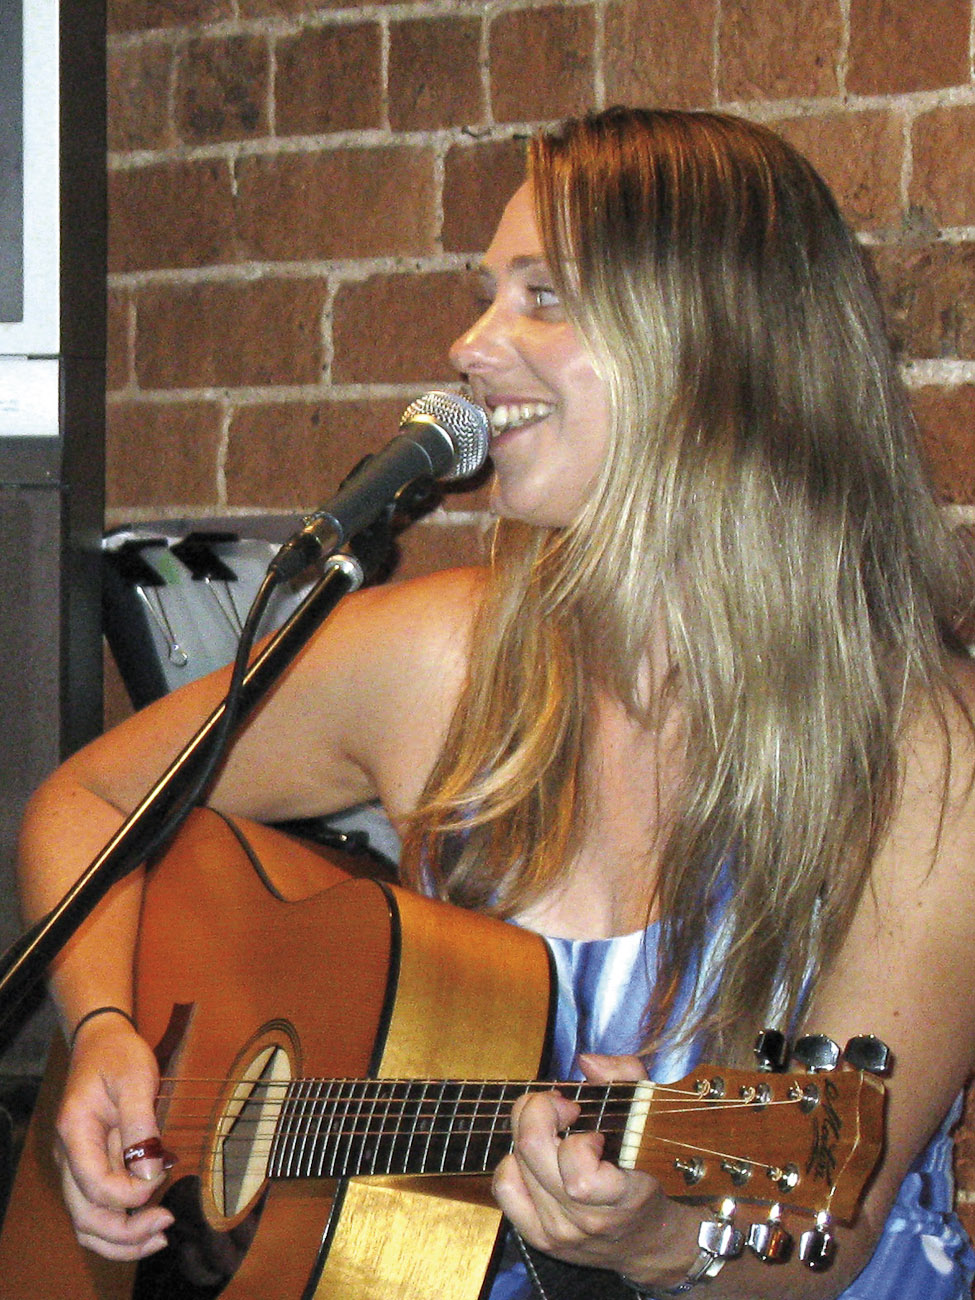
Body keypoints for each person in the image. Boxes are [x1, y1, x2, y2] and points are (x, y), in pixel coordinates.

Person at [15, 106, 975, 1300]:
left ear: (718, 349)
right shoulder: (442, 656)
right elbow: (94, 796)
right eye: (488, 293)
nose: (471, 343)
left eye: (543, 295)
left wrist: (658, 1242)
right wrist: (109, 1025)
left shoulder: (925, 749)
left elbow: (833, 1212)